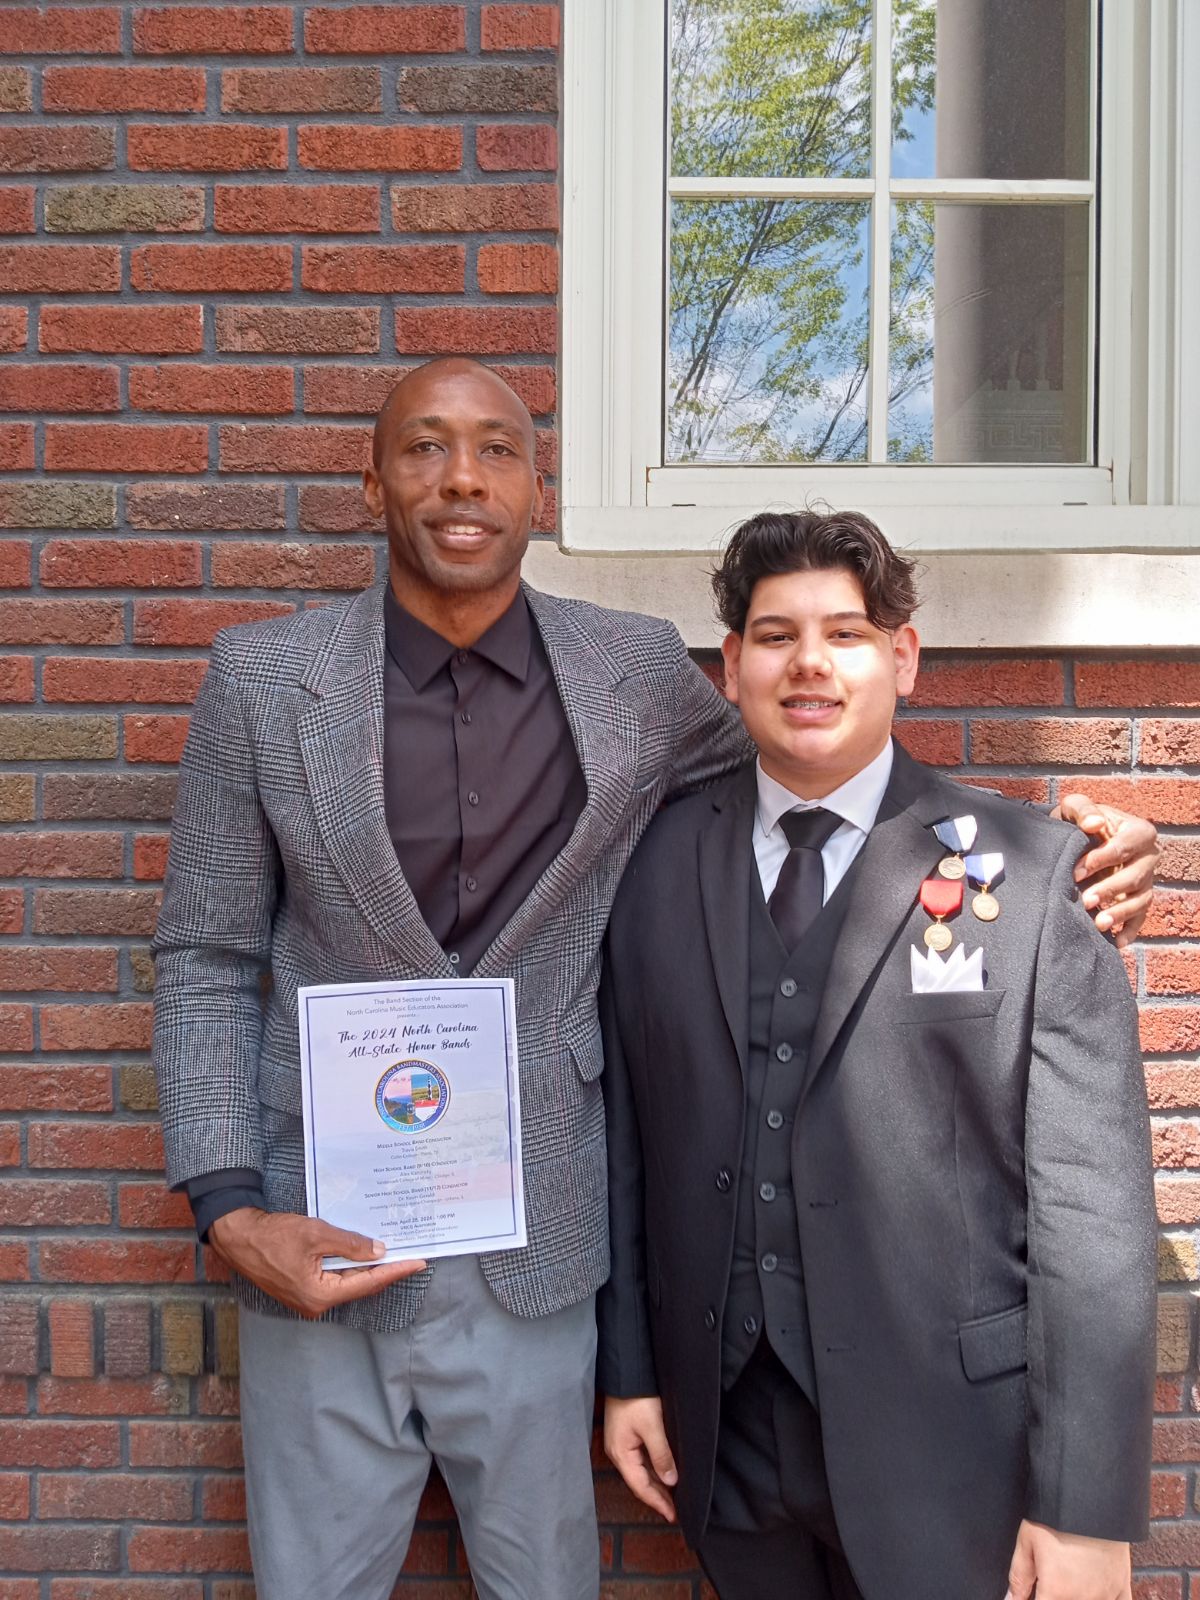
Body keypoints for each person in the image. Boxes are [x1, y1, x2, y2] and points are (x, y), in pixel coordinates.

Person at [152, 364, 1155, 1600]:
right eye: (422, 448)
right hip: (327, 1227)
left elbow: (824, 747)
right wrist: (230, 1204)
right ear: (372, 478)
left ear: (538, 490)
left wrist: (1035, 856)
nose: (462, 479)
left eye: (497, 452)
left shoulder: (627, 672)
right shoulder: (261, 685)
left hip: (545, 1249)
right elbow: (204, 952)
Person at [597, 509, 1157, 1600]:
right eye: (775, 635)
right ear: (732, 666)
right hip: (727, 1443)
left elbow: (1094, 1218)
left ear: (902, 656)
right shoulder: (655, 860)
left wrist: (1084, 1507)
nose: (809, 662)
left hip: (956, 1452)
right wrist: (629, 1374)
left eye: (846, 633)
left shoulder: (1038, 879)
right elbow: (624, 1134)